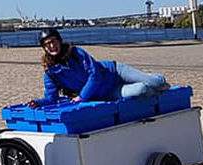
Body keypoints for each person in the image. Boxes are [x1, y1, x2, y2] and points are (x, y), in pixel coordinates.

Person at [32, 28, 170, 106]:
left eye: (53, 41)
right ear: (43, 47)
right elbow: (51, 97)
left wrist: (82, 96)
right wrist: (38, 103)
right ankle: (157, 92)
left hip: (115, 72)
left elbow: (95, 75)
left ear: (59, 41)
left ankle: (159, 81)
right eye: (47, 44)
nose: (51, 46)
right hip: (106, 93)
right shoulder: (50, 71)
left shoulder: (76, 53)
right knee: (141, 89)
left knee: (155, 82)